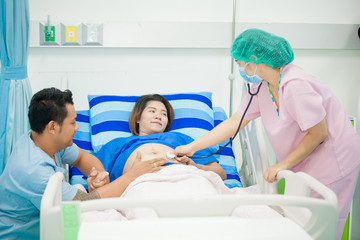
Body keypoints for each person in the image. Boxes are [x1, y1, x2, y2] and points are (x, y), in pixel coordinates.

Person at [173, 28, 360, 239]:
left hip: (335, 159)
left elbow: (319, 134)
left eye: (240, 62)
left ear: (254, 60)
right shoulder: (263, 88)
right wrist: (191, 147)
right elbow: (235, 122)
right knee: (305, 223)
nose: (240, 68)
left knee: (324, 225)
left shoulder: (296, 85)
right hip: (308, 160)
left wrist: (282, 165)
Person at [0, 88, 167, 240]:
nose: (77, 127)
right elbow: (85, 202)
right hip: (20, 235)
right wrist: (133, 174)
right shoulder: (33, 171)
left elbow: (81, 157)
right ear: (52, 127)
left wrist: (100, 176)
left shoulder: (44, 139)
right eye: (72, 123)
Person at [93, 94, 227, 182]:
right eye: (152, 111)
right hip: (139, 184)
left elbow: (221, 174)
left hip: (184, 179)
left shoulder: (182, 140)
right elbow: (97, 183)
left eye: (164, 114)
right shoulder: (117, 144)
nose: (158, 116)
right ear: (138, 117)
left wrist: (196, 167)